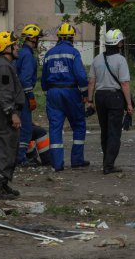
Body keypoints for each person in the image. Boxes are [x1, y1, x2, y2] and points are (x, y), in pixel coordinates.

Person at [41, 23, 90, 172]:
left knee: (55, 128)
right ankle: (77, 160)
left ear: (59, 37)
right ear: (71, 37)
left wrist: (47, 91)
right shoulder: (74, 53)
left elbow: (43, 78)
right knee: (79, 125)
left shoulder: (49, 54)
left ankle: (57, 164)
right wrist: (85, 94)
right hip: (71, 92)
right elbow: (81, 76)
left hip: (53, 93)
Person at [87, 29, 133, 175]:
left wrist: (89, 101)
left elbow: (91, 82)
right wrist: (129, 105)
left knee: (105, 131)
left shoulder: (97, 59)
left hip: (100, 97)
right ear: (118, 43)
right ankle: (109, 165)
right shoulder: (121, 60)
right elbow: (124, 83)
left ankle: (106, 161)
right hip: (114, 98)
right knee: (114, 132)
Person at [0, 31, 25, 199]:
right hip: (6, 113)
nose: (17, 47)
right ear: (6, 48)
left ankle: (2, 184)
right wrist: (11, 113)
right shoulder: (3, 67)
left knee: (10, 148)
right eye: (14, 45)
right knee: (5, 149)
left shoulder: (5, 65)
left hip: (4, 111)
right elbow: (4, 93)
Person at [15, 24, 50, 167]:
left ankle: (19, 156)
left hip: (15, 95)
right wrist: (30, 96)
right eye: (38, 38)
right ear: (33, 39)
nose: (38, 41)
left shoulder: (19, 53)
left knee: (20, 126)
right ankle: (21, 158)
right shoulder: (28, 55)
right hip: (23, 95)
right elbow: (25, 79)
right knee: (26, 129)